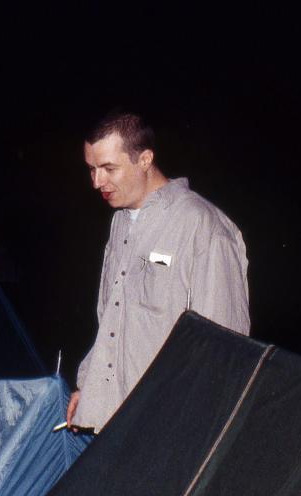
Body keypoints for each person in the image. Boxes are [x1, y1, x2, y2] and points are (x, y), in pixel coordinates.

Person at [66, 112, 250, 432]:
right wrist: (90, 387)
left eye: (109, 168)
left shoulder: (201, 225)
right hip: (119, 416)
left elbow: (226, 342)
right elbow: (113, 316)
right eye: (92, 169)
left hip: (172, 419)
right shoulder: (121, 222)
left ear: (145, 159)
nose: (96, 182)